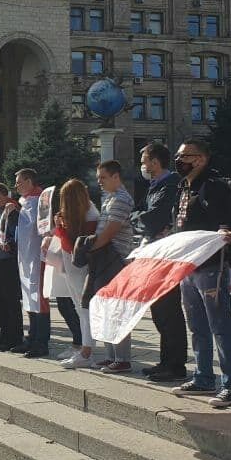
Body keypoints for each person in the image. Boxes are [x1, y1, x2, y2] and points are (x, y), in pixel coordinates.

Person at [171, 140, 231, 408]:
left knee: (220, 325)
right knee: (197, 325)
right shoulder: (183, 186)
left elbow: (229, 219)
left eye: (183, 157)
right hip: (188, 266)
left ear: (200, 159)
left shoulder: (215, 186)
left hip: (211, 265)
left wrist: (228, 231)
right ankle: (203, 376)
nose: (178, 161)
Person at [133, 144, 188, 382]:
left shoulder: (170, 184)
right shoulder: (155, 186)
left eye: (144, 161)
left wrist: (136, 218)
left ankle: (175, 365)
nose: (142, 166)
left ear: (155, 162)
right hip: (155, 253)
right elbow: (141, 217)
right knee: (159, 310)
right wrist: (138, 218)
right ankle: (166, 361)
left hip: (168, 255)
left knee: (169, 311)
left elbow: (153, 219)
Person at [90, 160, 137, 373]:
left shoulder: (121, 199)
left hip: (116, 259)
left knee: (117, 310)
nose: (99, 181)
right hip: (106, 258)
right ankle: (111, 356)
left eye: (103, 177)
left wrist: (89, 249)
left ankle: (122, 358)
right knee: (105, 309)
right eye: (98, 177)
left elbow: (109, 232)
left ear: (116, 177)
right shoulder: (109, 197)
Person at [54, 179, 99, 369]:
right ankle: (83, 348)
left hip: (80, 265)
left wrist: (60, 227)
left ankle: (86, 351)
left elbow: (74, 242)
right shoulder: (85, 212)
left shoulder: (89, 214)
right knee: (80, 307)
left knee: (84, 307)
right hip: (73, 265)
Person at [12, 170, 50, 358]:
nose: (16, 186)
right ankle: (31, 338)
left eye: (19, 182)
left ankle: (41, 342)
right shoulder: (25, 202)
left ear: (29, 181)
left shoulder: (41, 200)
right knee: (29, 298)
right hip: (25, 257)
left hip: (37, 256)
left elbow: (43, 228)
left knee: (39, 300)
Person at [0, 183, 24, 351]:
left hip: (8, 261)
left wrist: (5, 244)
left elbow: (14, 236)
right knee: (0, 300)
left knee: (11, 301)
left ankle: (14, 337)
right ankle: (4, 335)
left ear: (1, 195)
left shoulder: (11, 211)